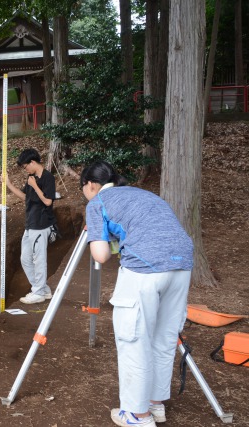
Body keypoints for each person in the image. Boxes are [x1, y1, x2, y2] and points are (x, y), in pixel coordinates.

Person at [81, 160, 193, 427]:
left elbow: (101, 255)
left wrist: (99, 234)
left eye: (83, 188)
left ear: (91, 185)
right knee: (163, 338)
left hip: (146, 269)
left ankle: (136, 414)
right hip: (182, 264)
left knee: (134, 338)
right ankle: (155, 404)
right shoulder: (144, 194)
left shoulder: (97, 203)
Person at [3, 148, 57, 304]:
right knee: (25, 259)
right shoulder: (31, 178)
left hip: (42, 224)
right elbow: (25, 197)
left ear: (33, 162)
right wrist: (9, 184)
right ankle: (42, 289)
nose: (25, 169)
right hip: (30, 224)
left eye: (26, 166)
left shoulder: (48, 178)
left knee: (39, 259)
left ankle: (38, 292)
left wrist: (35, 186)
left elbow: (48, 201)